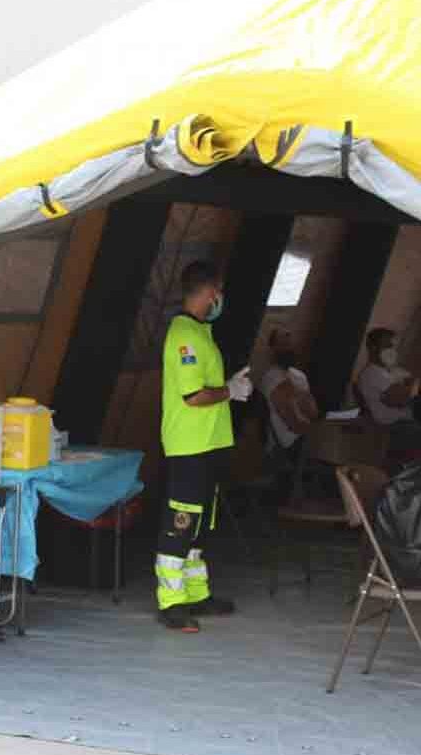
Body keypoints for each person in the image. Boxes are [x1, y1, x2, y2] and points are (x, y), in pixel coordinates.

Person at [156, 261, 251, 632]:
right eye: (219, 291)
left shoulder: (201, 331)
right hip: (189, 445)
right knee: (181, 522)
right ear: (210, 291)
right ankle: (172, 601)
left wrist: (228, 384)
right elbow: (193, 395)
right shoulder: (185, 336)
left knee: (199, 526)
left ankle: (196, 593)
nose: (220, 299)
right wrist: (230, 391)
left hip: (208, 443)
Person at [356, 328, 421, 454]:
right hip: (393, 429)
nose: (392, 350)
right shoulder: (371, 373)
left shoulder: (393, 371)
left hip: (409, 424)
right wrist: (413, 383)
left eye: (394, 346)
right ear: (373, 348)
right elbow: (401, 399)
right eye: (387, 346)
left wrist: (411, 385)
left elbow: (418, 389)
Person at [259, 328, 321, 454]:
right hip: (289, 443)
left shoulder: (299, 376)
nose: (288, 347)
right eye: (283, 344)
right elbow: (293, 423)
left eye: (290, 342)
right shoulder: (271, 377)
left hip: (306, 435)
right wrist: (319, 435)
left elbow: (313, 412)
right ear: (273, 349)